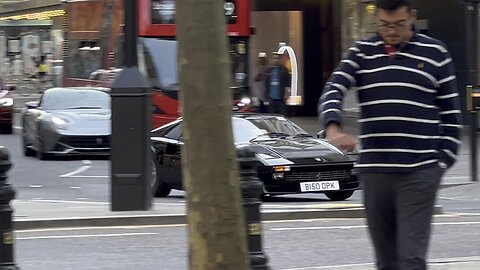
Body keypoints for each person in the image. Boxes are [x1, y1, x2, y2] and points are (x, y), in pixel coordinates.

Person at [318, 1, 461, 269]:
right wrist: (333, 128)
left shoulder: (435, 53)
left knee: (410, 259)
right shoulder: (361, 52)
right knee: (386, 262)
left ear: (412, 17)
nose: (391, 31)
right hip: (375, 174)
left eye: (398, 24)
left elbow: (452, 118)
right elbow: (333, 88)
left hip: (418, 173)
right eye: (384, 25)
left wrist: (439, 166)